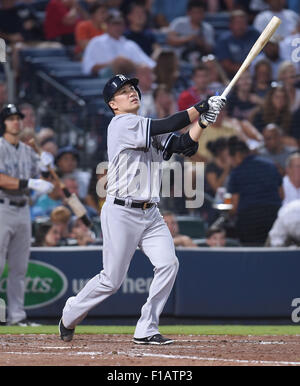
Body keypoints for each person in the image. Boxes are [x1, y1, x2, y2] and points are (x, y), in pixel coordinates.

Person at [58, 73, 226, 344]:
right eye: (123, 91)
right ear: (113, 104)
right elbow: (170, 122)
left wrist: (203, 122)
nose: (131, 92)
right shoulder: (121, 124)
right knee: (111, 281)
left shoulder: (144, 126)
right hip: (120, 211)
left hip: (150, 213)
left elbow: (184, 146)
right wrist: (199, 108)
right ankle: (70, 313)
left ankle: (146, 327)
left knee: (169, 263)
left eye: (132, 88)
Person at [0, 104, 54, 326]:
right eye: (11, 118)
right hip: (2, 207)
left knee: (19, 267)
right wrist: (30, 182)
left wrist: (45, 168)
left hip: (23, 209)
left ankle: (16, 316)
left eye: (18, 118)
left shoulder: (28, 150)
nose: (16, 122)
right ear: (3, 122)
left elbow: (46, 183)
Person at [227, 135, 283, 245]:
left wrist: (228, 213)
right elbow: (282, 194)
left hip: (249, 220)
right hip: (273, 218)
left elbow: (235, 205)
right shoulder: (271, 165)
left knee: (252, 256)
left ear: (237, 155)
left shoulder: (236, 172)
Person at [82, 9, 156, 77]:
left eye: (120, 24)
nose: (118, 27)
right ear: (107, 25)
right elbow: (88, 68)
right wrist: (113, 64)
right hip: (105, 80)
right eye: (114, 24)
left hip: (131, 79)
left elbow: (150, 65)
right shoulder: (96, 42)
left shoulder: (129, 44)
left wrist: (131, 65)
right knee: (119, 62)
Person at [215, 9, 260, 78]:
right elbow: (226, 64)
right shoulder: (224, 39)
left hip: (254, 73)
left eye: (243, 23)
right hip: (232, 76)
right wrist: (245, 71)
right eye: (238, 23)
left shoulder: (254, 34)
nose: (241, 26)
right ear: (231, 25)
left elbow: (262, 56)